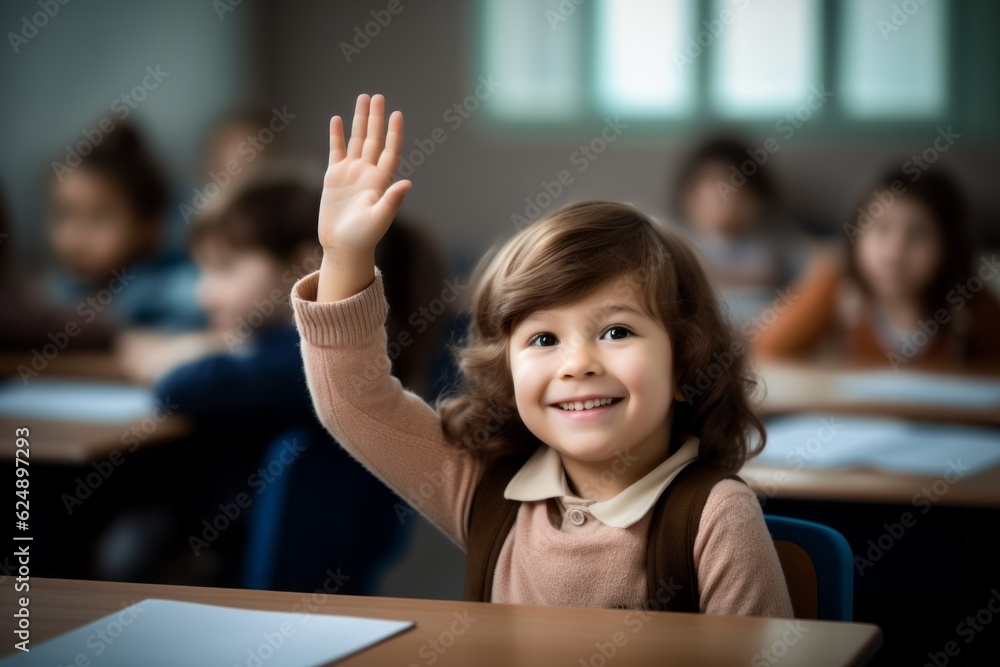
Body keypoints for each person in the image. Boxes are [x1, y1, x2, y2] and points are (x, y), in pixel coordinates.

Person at [290, 94, 792, 614]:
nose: (578, 363)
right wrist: (345, 255)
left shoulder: (716, 518)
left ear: (684, 365)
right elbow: (355, 402)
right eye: (544, 340)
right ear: (508, 374)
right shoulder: (487, 490)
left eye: (617, 332)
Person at [96, 171, 413, 591]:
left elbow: (178, 388)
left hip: (235, 577)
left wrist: (192, 351)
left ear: (303, 267)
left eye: (225, 269)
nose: (202, 294)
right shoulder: (297, 351)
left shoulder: (301, 361)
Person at [754, 167, 1000, 372]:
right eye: (881, 229)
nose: (896, 249)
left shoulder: (972, 306)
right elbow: (767, 348)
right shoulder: (836, 289)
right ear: (856, 235)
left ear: (949, 246)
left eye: (918, 233)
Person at [46, 122, 205, 332]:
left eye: (98, 218)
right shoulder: (66, 291)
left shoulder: (177, 289)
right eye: (63, 216)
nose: (74, 236)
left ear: (149, 225)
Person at [672, 136, 807, 325]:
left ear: (758, 200)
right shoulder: (676, 243)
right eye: (713, 193)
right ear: (689, 200)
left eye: (737, 191)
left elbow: (790, 278)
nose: (726, 202)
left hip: (767, 330)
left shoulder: (777, 241)